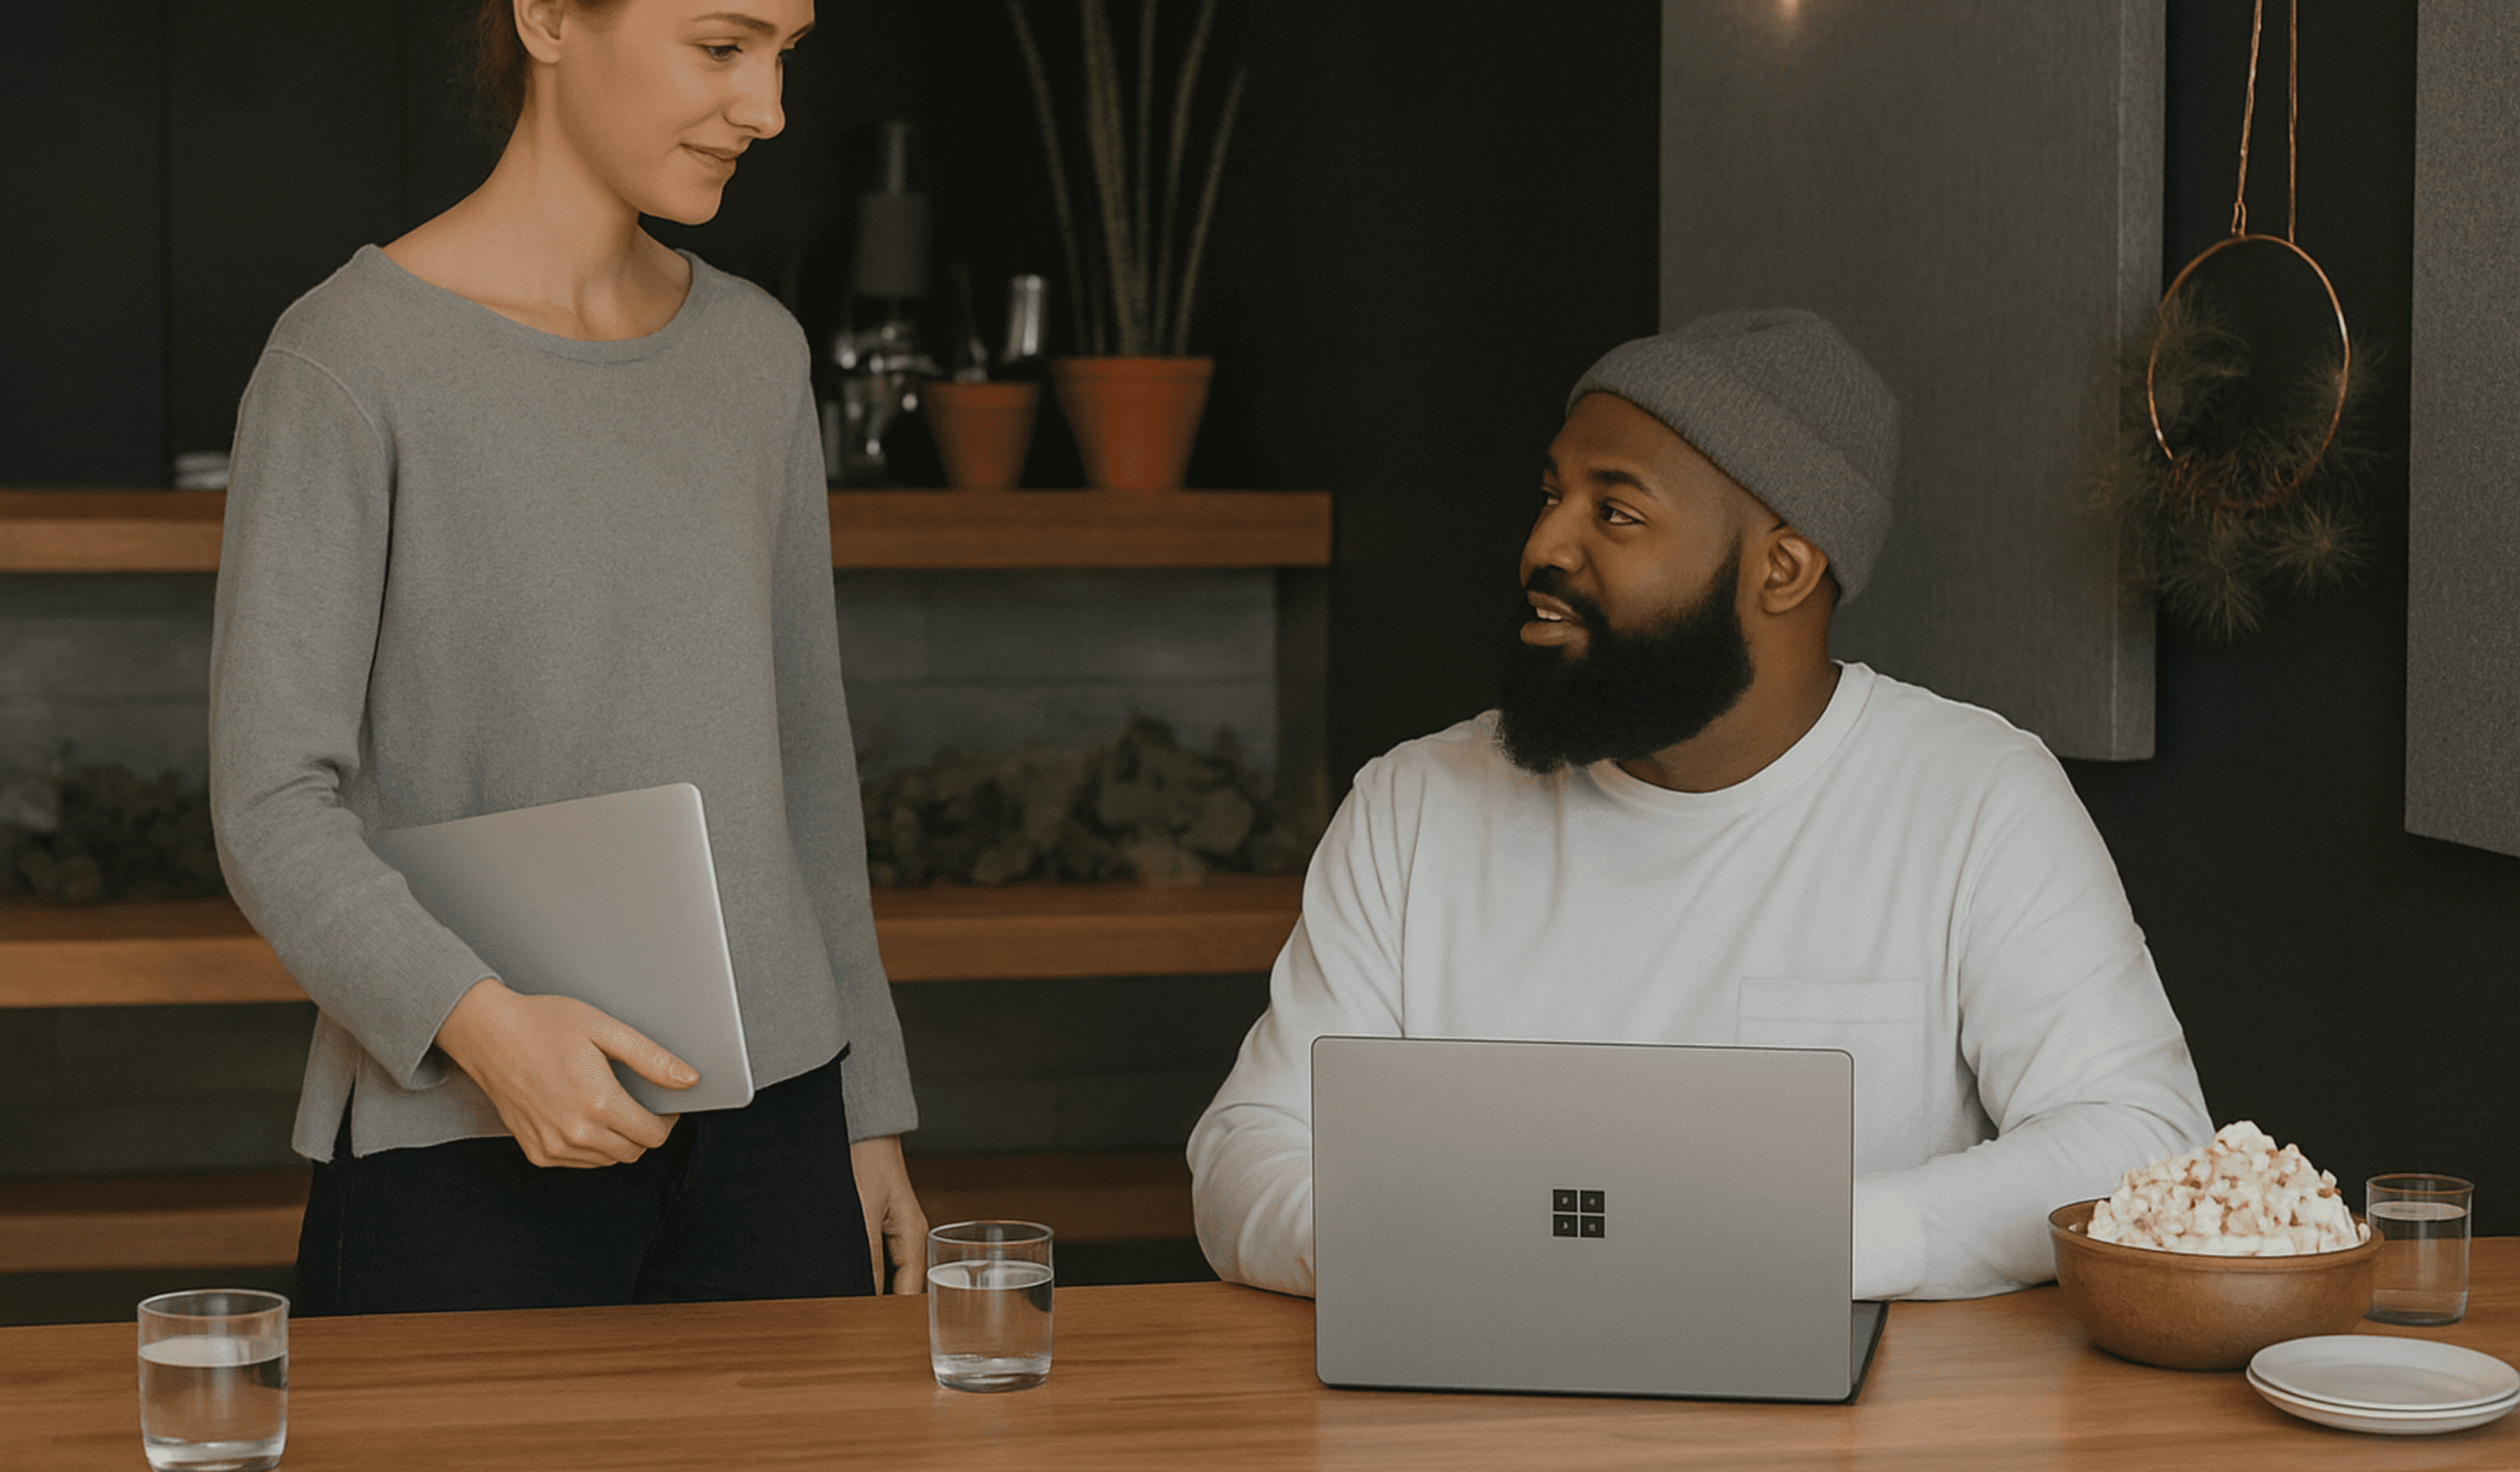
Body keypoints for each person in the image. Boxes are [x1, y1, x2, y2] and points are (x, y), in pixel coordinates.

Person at [1189, 309, 2214, 1302]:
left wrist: (1797, 1243)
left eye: (1615, 511)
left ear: (1782, 565)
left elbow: (2138, 1136)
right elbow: (1249, 1147)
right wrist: (1439, 1250)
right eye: (1549, 496)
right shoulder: (1414, 806)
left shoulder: (1975, 800)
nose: (1544, 545)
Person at [209, 0, 928, 1313]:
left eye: (785, 54)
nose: (766, 107)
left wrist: (864, 1106)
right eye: (722, 46)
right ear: (544, 16)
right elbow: (268, 806)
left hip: (778, 1138)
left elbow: (810, 767)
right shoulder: (346, 362)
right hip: (463, 1136)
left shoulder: (757, 355)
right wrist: (481, 1025)